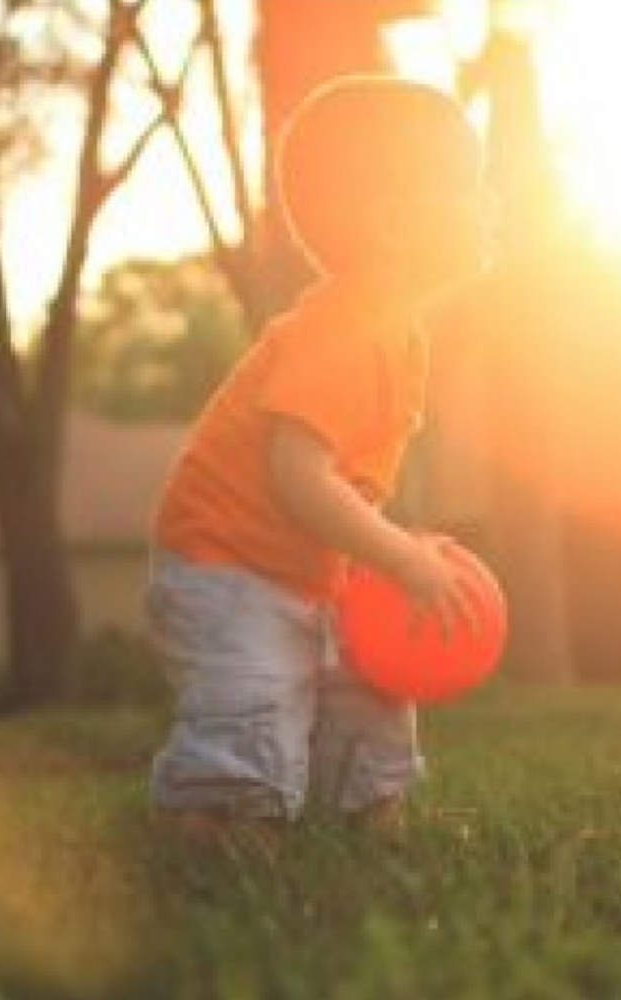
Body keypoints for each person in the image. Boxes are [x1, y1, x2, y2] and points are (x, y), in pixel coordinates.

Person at [146, 75, 485, 846]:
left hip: (302, 564)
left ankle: (374, 824)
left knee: (368, 687)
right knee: (255, 701)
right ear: (397, 223)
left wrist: (386, 552)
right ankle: (218, 829)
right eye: (467, 188)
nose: (487, 205)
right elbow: (296, 476)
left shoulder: (396, 331)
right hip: (228, 561)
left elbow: (338, 483)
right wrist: (398, 554)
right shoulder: (345, 330)